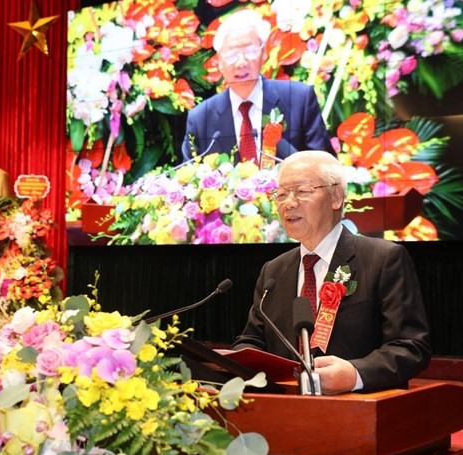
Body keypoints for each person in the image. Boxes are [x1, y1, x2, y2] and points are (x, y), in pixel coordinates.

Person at [232, 150, 431, 394]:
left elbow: (411, 347)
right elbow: (253, 341)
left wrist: (355, 374)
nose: (288, 203)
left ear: (336, 197)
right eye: (281, 194)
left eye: (302, 191)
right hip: (285, 409)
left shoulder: (383, 258)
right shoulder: (274, 270)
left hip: (359, 409)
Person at [181, 8, 332, 165]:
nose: (241, 62)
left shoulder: (299, 100)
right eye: (232, 54)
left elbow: (327, 173)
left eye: (250, 51)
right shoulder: (200, 119)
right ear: (219, 62)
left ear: (264, 53)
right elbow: (189, 182)